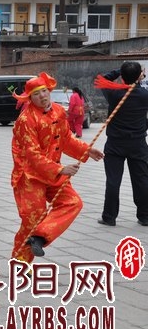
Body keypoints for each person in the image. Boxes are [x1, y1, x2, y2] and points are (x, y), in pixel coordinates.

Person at [11, 72, 103, 263]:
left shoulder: (59, 111)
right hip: (29, 176)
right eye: (36, 94)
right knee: (32, 219)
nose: (42, 96)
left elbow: (66, 139)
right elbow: (31, 154)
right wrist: (60, 169)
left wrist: (87, 150)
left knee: (73, 202)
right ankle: (20, 262)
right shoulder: (26, 120)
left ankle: (40, 236)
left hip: (52, 173)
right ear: (30, 98)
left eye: (44, 91)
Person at [96, 61, 148, 227]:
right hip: (138, 143)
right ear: (139, 75)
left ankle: (109, 216)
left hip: (115, 144)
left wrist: (123, 71)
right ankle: (145, 216)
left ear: (123, 76)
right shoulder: (145, 95)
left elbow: (103, 78)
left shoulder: (113, 93)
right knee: (141, 180)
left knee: (113, 180)